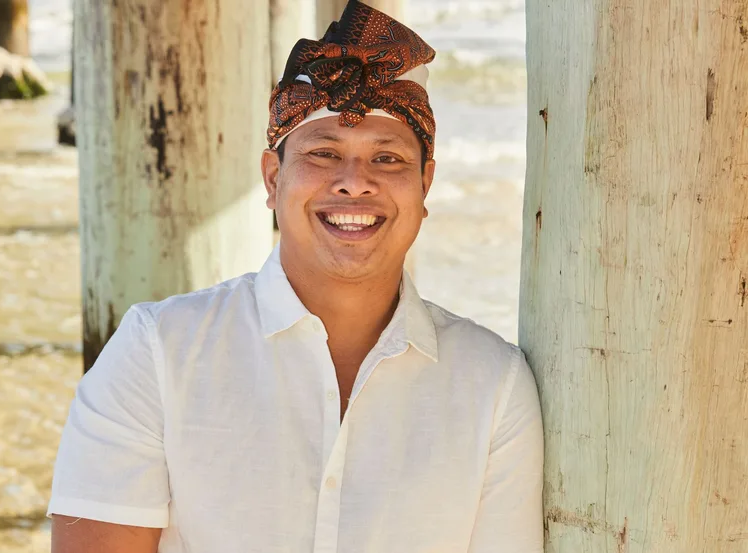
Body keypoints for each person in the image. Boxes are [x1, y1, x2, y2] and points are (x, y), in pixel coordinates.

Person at [47, 2, 544, 552]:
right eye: (324, 152)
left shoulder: (494, 384)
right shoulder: (156, 352)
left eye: (388, 159)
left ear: (425, 185)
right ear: (272, 177)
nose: (354, 183)